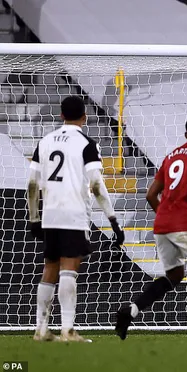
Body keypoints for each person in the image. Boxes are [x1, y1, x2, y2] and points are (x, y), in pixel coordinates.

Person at [114, 116, 187, 342]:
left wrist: (166, 216)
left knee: (174, 275)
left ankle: (130, 311)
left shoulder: (170, 157)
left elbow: (151, 194)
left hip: (162, 225)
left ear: (185, 135)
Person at [27, 96, 125, 342]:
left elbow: (31, 184)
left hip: (49, 213)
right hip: (73, 214)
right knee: (69, 270)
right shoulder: (87, 143)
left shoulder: (45, 141)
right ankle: (68, 330)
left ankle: (40, 329)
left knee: (49, 268)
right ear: (85, 117)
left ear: (60, 115)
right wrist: (113, 220)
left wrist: (34, 217)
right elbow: (96, 184)